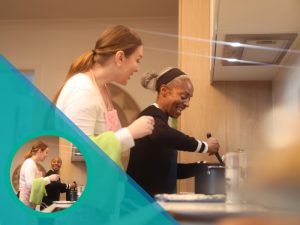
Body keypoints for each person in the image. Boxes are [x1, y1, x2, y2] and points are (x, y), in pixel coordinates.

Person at [54, 25, 154, 168]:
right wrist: (129, 133)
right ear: (120, 57)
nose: (137, 68)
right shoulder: (82, 89)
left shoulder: (103, 89)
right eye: (137, 60)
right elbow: (76, 150)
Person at [127, 67, 220, 197]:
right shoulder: (151, 115)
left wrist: (201, 166)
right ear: (164, 91)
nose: (187, 103)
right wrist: (205, 146)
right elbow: (162, 134)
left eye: (189, 98)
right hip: (139, 206)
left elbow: (169, 171)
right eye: (183, 96)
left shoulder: (162, 122)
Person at [18, 141, 59, 209]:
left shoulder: (33, 163)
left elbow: (35, 183)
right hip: (26, 203)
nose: (47, 155)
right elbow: (30, 184)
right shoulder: (30, 163)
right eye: (46, 152)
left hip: (29, 202)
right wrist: (49, 178)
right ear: (40, 151)